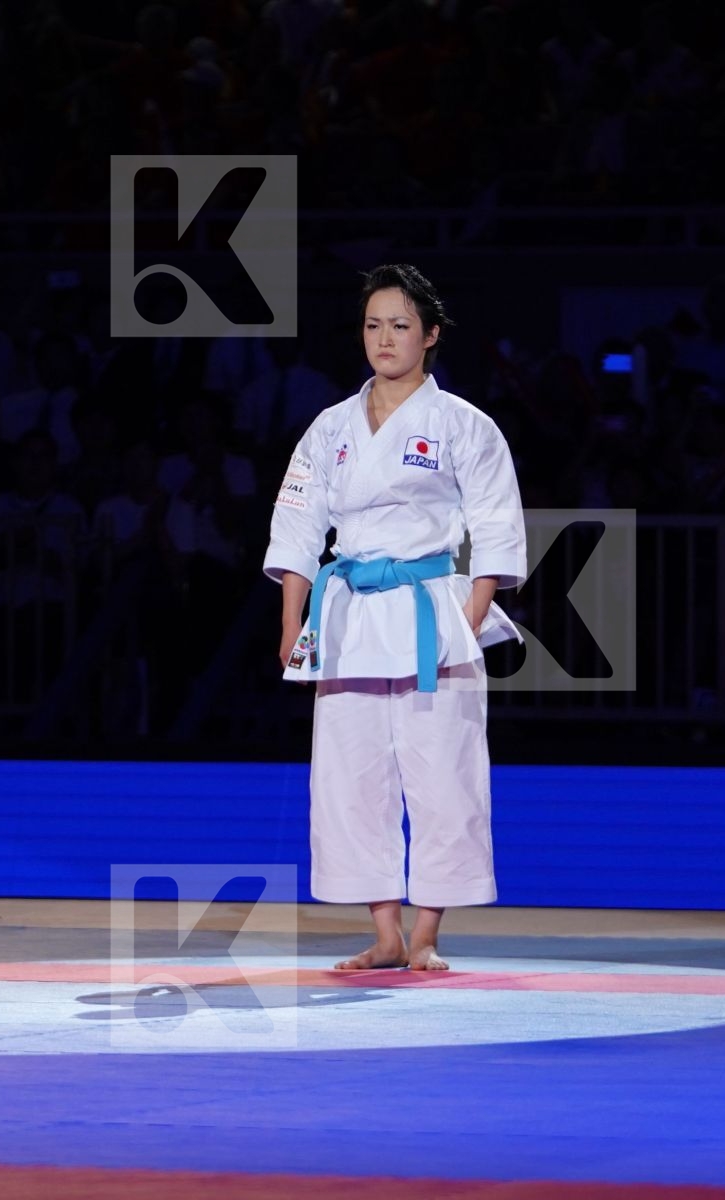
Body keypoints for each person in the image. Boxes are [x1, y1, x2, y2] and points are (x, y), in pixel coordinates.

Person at [262, 264, 526, 972]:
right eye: (374, 325)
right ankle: (385, 934)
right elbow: (297, 527)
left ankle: (427, 934)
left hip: (430, 610)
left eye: (401, 325)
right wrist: (292, 623)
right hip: (347, 617)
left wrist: (471, 615)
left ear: (430, 335)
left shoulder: (463, 424)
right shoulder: (329, 427)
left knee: (444, 773)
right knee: (350, 777)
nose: (384, 338)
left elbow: (496, 526)